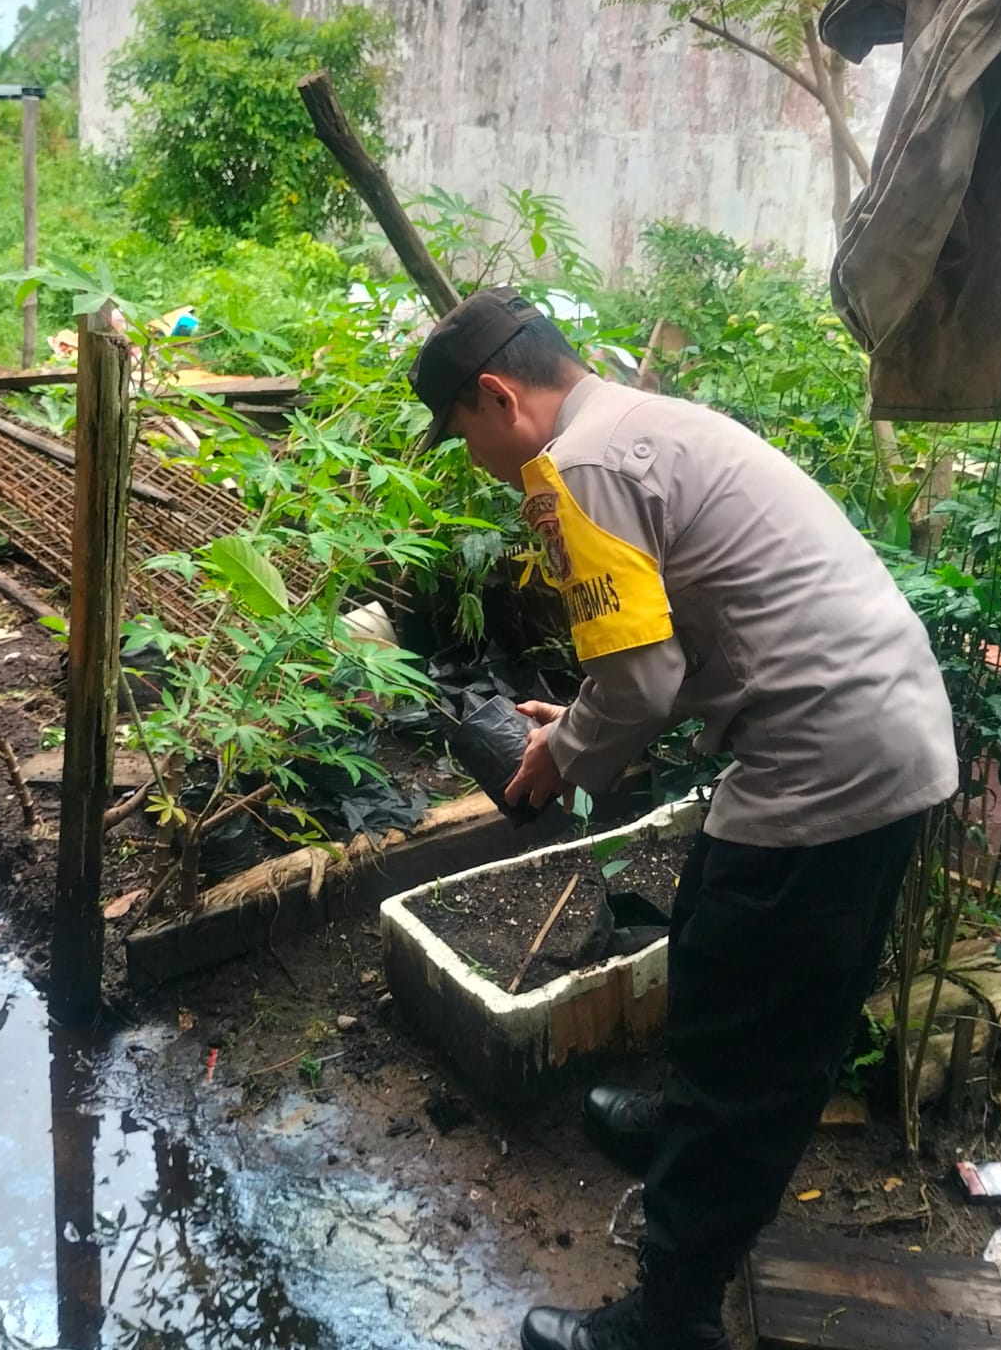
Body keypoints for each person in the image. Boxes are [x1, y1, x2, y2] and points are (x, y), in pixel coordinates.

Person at [409, 288, 958, 1350]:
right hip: (859, 731)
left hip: (827, 760)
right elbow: (659, 654)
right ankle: (688, 1126)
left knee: (748, 1034)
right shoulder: (638, 425)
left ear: (497, 396)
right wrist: (576, 718)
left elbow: (645, 683)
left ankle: (671, 1318)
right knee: (713, 928)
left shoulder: (585, 467)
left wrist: (556, 757)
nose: (469, 454)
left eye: (462, 431)